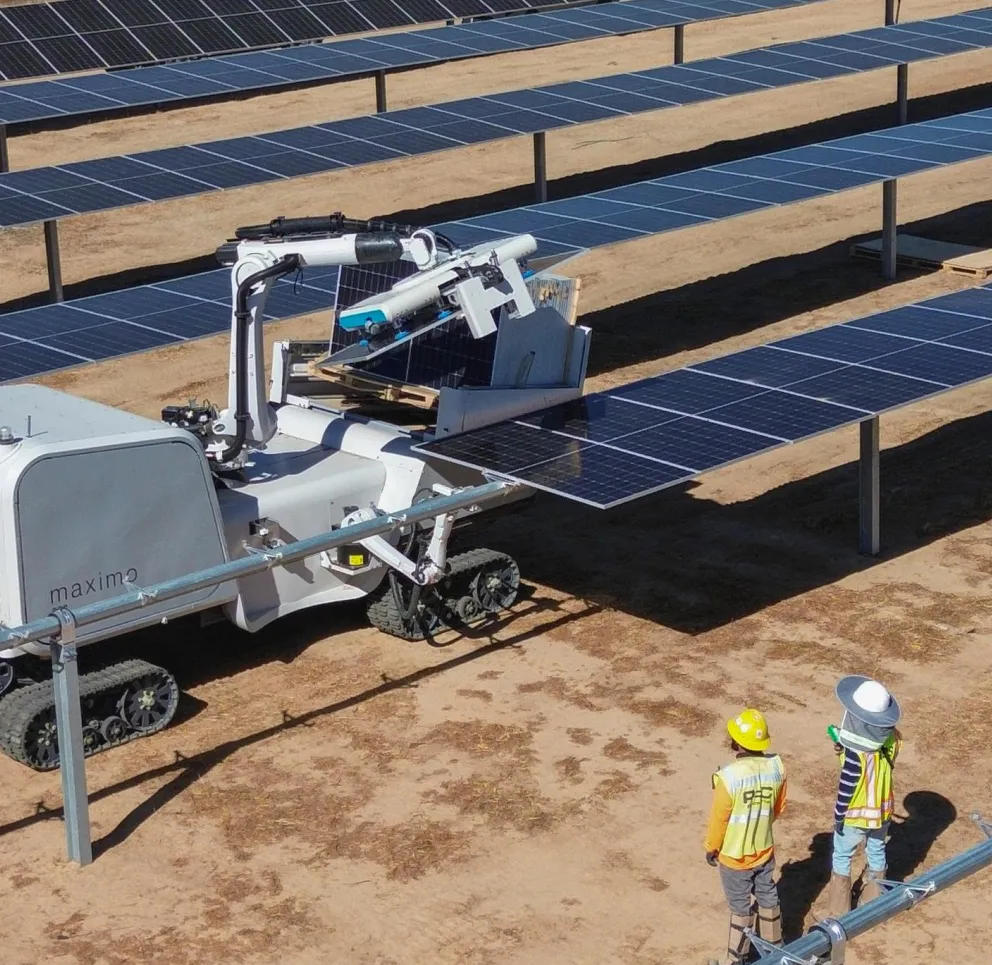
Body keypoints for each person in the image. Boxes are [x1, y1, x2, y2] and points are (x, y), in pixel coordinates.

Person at [705, 708, 787, 965]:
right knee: (767, 895)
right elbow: (778, 808)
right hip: (764, 849)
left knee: (740, 908)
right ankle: (775, 951)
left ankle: (736, 959)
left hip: (734, 857)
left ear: (738, 742)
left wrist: (711, 847)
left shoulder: (728, 778)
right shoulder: (777, 767)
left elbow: (720, 819)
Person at [826, 676, 903, 918]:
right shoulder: (891, 743)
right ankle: (873, 904)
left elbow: (846, 788)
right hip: (882, 812)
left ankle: (839, 912)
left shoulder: (853, 756)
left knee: (842, 855)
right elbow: (892, 739)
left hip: (854, 815)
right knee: (877, 850)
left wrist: (838, 817)